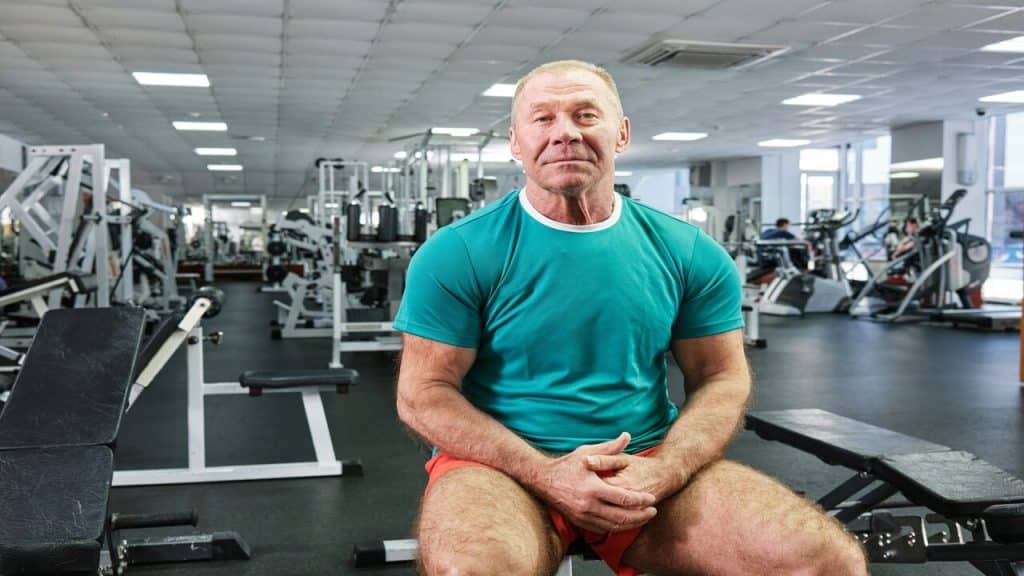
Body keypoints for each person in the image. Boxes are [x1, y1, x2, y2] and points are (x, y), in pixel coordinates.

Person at [393, 60, 867, 576]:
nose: (565, 133)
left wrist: (667, 469)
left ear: (621, 134)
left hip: (645, 461)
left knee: (828, 563)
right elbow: (423, 392)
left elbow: (721, 377)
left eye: (585, 115)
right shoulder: (457, 252)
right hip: (502, 469)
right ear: (515, 142)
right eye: (543, 118)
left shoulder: (688, 251)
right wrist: (545, 473)